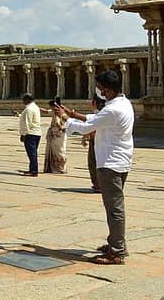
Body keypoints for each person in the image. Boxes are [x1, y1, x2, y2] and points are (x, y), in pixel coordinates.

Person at [61, 70, 134, 265]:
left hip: (110, 162)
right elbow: (95, 120)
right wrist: (73, 114)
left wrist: (66, 120)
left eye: (101, 88)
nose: (99, 91)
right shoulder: (124, 103)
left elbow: (87, 127)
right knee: (113, 206)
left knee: (114, 208)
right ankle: (115, 242)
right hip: (120, 160)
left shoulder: (112, 110)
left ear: (108, 90)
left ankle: (117, 251)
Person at [82, 96, 107, 192]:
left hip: (96, 141)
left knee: (93, 162)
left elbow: (90, 126)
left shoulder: (97, 115)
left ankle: (98, 184)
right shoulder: (105, 113)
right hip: (103, 142)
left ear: (94, 103)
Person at [19, 93, 42, 176]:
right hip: (36, 133)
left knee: (31, 153)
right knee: (33, 153)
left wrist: (23, 134)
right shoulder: (35, 107)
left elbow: (27, 123)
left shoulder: (29, 109)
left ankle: (34, 171)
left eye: (24, 100)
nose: (23, 102)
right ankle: (31, 169)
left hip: (30, 133)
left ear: (28, 99)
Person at [43, 98, 67, 174]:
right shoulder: (61, 110)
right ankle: (60, 167)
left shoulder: (57, 111)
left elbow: (57, 122)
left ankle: (58, 167)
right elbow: (46, 111)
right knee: (60, 150)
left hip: (57, 133)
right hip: (60, 133)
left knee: (57, 150)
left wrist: (60, 127)